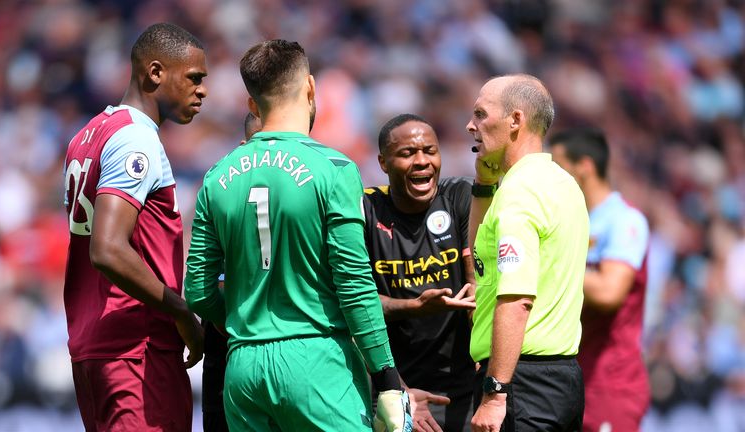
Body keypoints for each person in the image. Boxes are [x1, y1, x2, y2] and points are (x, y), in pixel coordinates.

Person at [184, 39, 411, 432]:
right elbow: (354, 284)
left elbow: (198, 290)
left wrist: (241, 325)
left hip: (243, 369)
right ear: (309, 88)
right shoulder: (334, 169)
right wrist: (387, 376)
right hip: (318, 362)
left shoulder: (217, 177)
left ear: (252, 104)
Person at [62, 22, 206, 431]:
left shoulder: (87, 134)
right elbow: (107, 248)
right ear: (156, 72)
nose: (203, 91)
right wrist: (180, 312)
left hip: (96, 344)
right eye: (194, 78)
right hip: (135, 346)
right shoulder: (135, 140)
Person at [466, 74, 588, 432]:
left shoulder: (519, 194)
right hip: (562, 380)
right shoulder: (564, 184)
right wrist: (484, 185)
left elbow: (517, 299)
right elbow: (482, 262)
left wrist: (496, 392)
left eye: (481, 114)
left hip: (521, 385)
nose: (470, 125)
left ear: (515, 120)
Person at [364, 113, 478, 432]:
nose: (421, 161)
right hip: (394, 389)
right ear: (383, 163)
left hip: (462, 393)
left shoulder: (458, 197)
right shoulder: (365, 210)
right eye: (407, 153)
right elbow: (357, 305)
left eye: (429, 150)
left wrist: (475, 291)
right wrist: (416, 307)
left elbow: (476, 279)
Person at [549, 128, 650, 432]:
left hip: (610, 381)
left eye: (558, 166)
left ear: (585, 167)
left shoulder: (624, 221)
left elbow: (609, 292)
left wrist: (553, 261)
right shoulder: (572, 221)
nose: (551, 178)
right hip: (569, 376)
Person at [200, 111, 262, 432]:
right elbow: (206, 286)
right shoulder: (221, 192)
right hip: (232, 351)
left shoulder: (216, 187)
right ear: (243, 147)